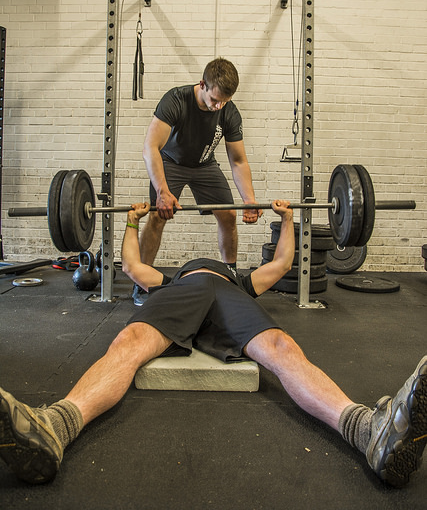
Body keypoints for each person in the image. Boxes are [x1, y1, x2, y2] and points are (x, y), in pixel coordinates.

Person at [0, 201, 426, 489]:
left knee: (279, 346)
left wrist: (289, 219)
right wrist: (132, 219)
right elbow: (132, 265)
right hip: (180, 295)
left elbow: (280, 264)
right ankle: (56, 426)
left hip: (229, 297)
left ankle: (367, 431)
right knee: (127, 341)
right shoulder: (169, 279)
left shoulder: (239, 278)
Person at [135, 57, 262, 303]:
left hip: (204, 165)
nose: (218, 106)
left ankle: (232, 274)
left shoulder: (228, 112)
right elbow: (150, 148)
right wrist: (162, 191)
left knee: (229, 215)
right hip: (171, 162)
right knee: (156, 217)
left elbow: (238, 161)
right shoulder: (176, 100)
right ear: (202, 84)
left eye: (225, 101)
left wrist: (249, 199)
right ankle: (141, 282)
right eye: (215, 100)